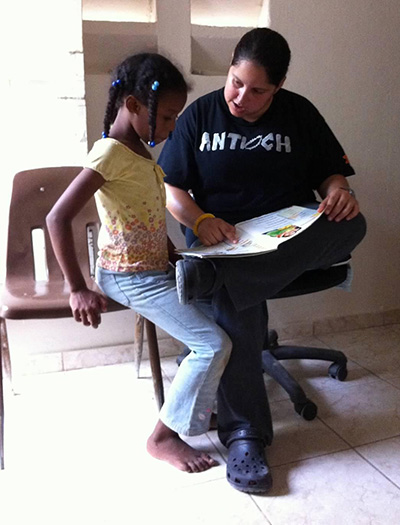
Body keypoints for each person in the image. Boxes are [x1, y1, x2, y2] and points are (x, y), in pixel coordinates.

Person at [158, 28, 367, 493]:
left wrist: (339, 192)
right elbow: (171, 188)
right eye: (235, 81)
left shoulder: (300, 113)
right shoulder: (200, 115)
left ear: (280, 86)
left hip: (285, 242)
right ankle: (246, 434)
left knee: (353, 224)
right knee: (237, 301)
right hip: (222, 236)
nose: (240, 97)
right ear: (229, 68)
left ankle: (224, 277)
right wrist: (200, 217)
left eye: (257, 90)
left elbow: (331, 174)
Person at [46, 53, 233, 474]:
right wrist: (77, 288)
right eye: (166, 118)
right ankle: (163, 437)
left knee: (219, 321)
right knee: (213, 343)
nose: (170, 128)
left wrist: (171, 251)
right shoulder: (110, 153)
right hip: (127, 276)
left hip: (153, 268)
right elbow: (57, 217)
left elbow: (145, 213)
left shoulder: (140, 153)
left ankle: (195, 414)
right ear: (132, 105)